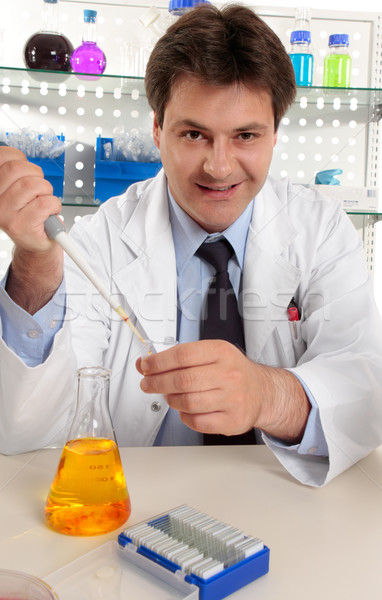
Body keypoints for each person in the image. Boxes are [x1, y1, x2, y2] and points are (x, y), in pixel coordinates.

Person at [0, 4, 381, 487]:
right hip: (141, 506)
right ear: (158, 130)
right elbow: (35, 428)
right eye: (195, 134)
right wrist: (35, 262)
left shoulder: (320, 229)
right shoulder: (100, 241)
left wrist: (268, 396)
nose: (219, 167)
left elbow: (365, 390)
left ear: (274, 136)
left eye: (245, 135)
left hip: (287, 501)